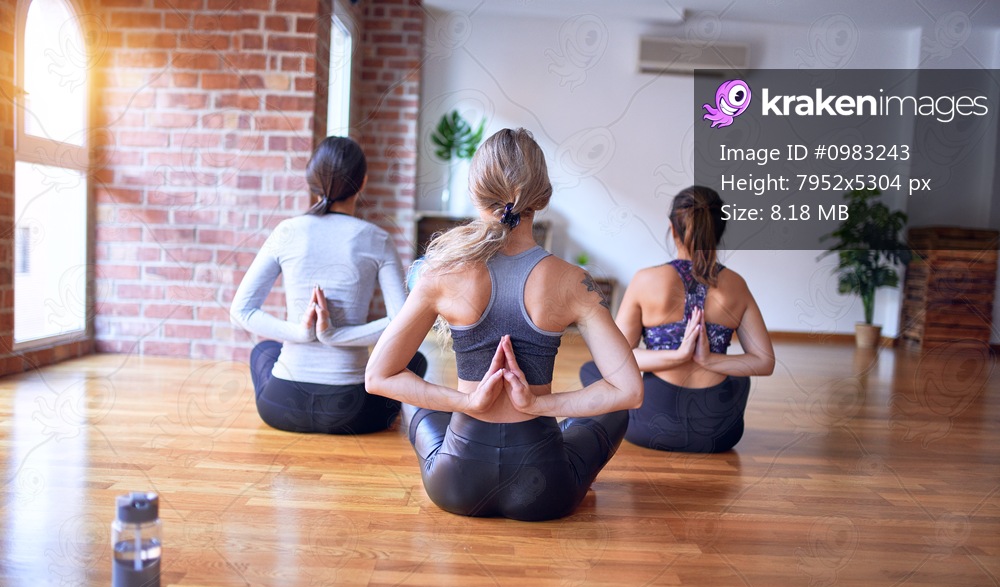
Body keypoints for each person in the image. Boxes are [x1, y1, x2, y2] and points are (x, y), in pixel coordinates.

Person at [365, 128, 643, 521]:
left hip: (456, 485)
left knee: (417, 402)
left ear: (476, 192)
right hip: (544, 489)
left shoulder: (440, 273)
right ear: (542, 198)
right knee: (613, 411)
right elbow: (629, 391)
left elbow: (378, 377)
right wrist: (539, 404)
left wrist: (466, 402)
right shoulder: (574, 282)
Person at [231, 136, 426, 434]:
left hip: (282, 407)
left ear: (311, 181)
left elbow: (241, 311)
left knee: (263, 351)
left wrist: (299, 332)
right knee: (416, 360)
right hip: (355, 415)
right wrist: (336, 335)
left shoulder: (286, 231)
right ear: (362, 182)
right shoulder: (376, 238)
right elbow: (403, 323)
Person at [582, 185, 774, 453]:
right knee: (740, 378)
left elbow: (617, 359)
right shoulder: (737, 285)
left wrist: (676, 356)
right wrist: (709, 360)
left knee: (591, 368)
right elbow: (764, 362)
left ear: (673, 229)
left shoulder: (645, 280)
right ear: (719, 230)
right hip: (719, 434)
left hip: (650, 428)